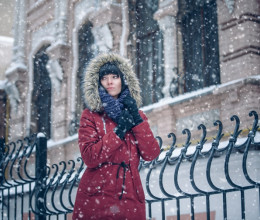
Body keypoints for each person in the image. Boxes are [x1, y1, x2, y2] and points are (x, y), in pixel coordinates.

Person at [72, 53, 160, 220]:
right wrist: (119, 132)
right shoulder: (90, 116)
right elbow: (90, 156)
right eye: (104, 78)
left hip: (131, 197)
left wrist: (136, 118)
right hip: (97, 198)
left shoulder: (136, 114)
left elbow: (151, 153)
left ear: (124, 80)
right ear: (98, 83)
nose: (110, 82)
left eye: (115, 76)